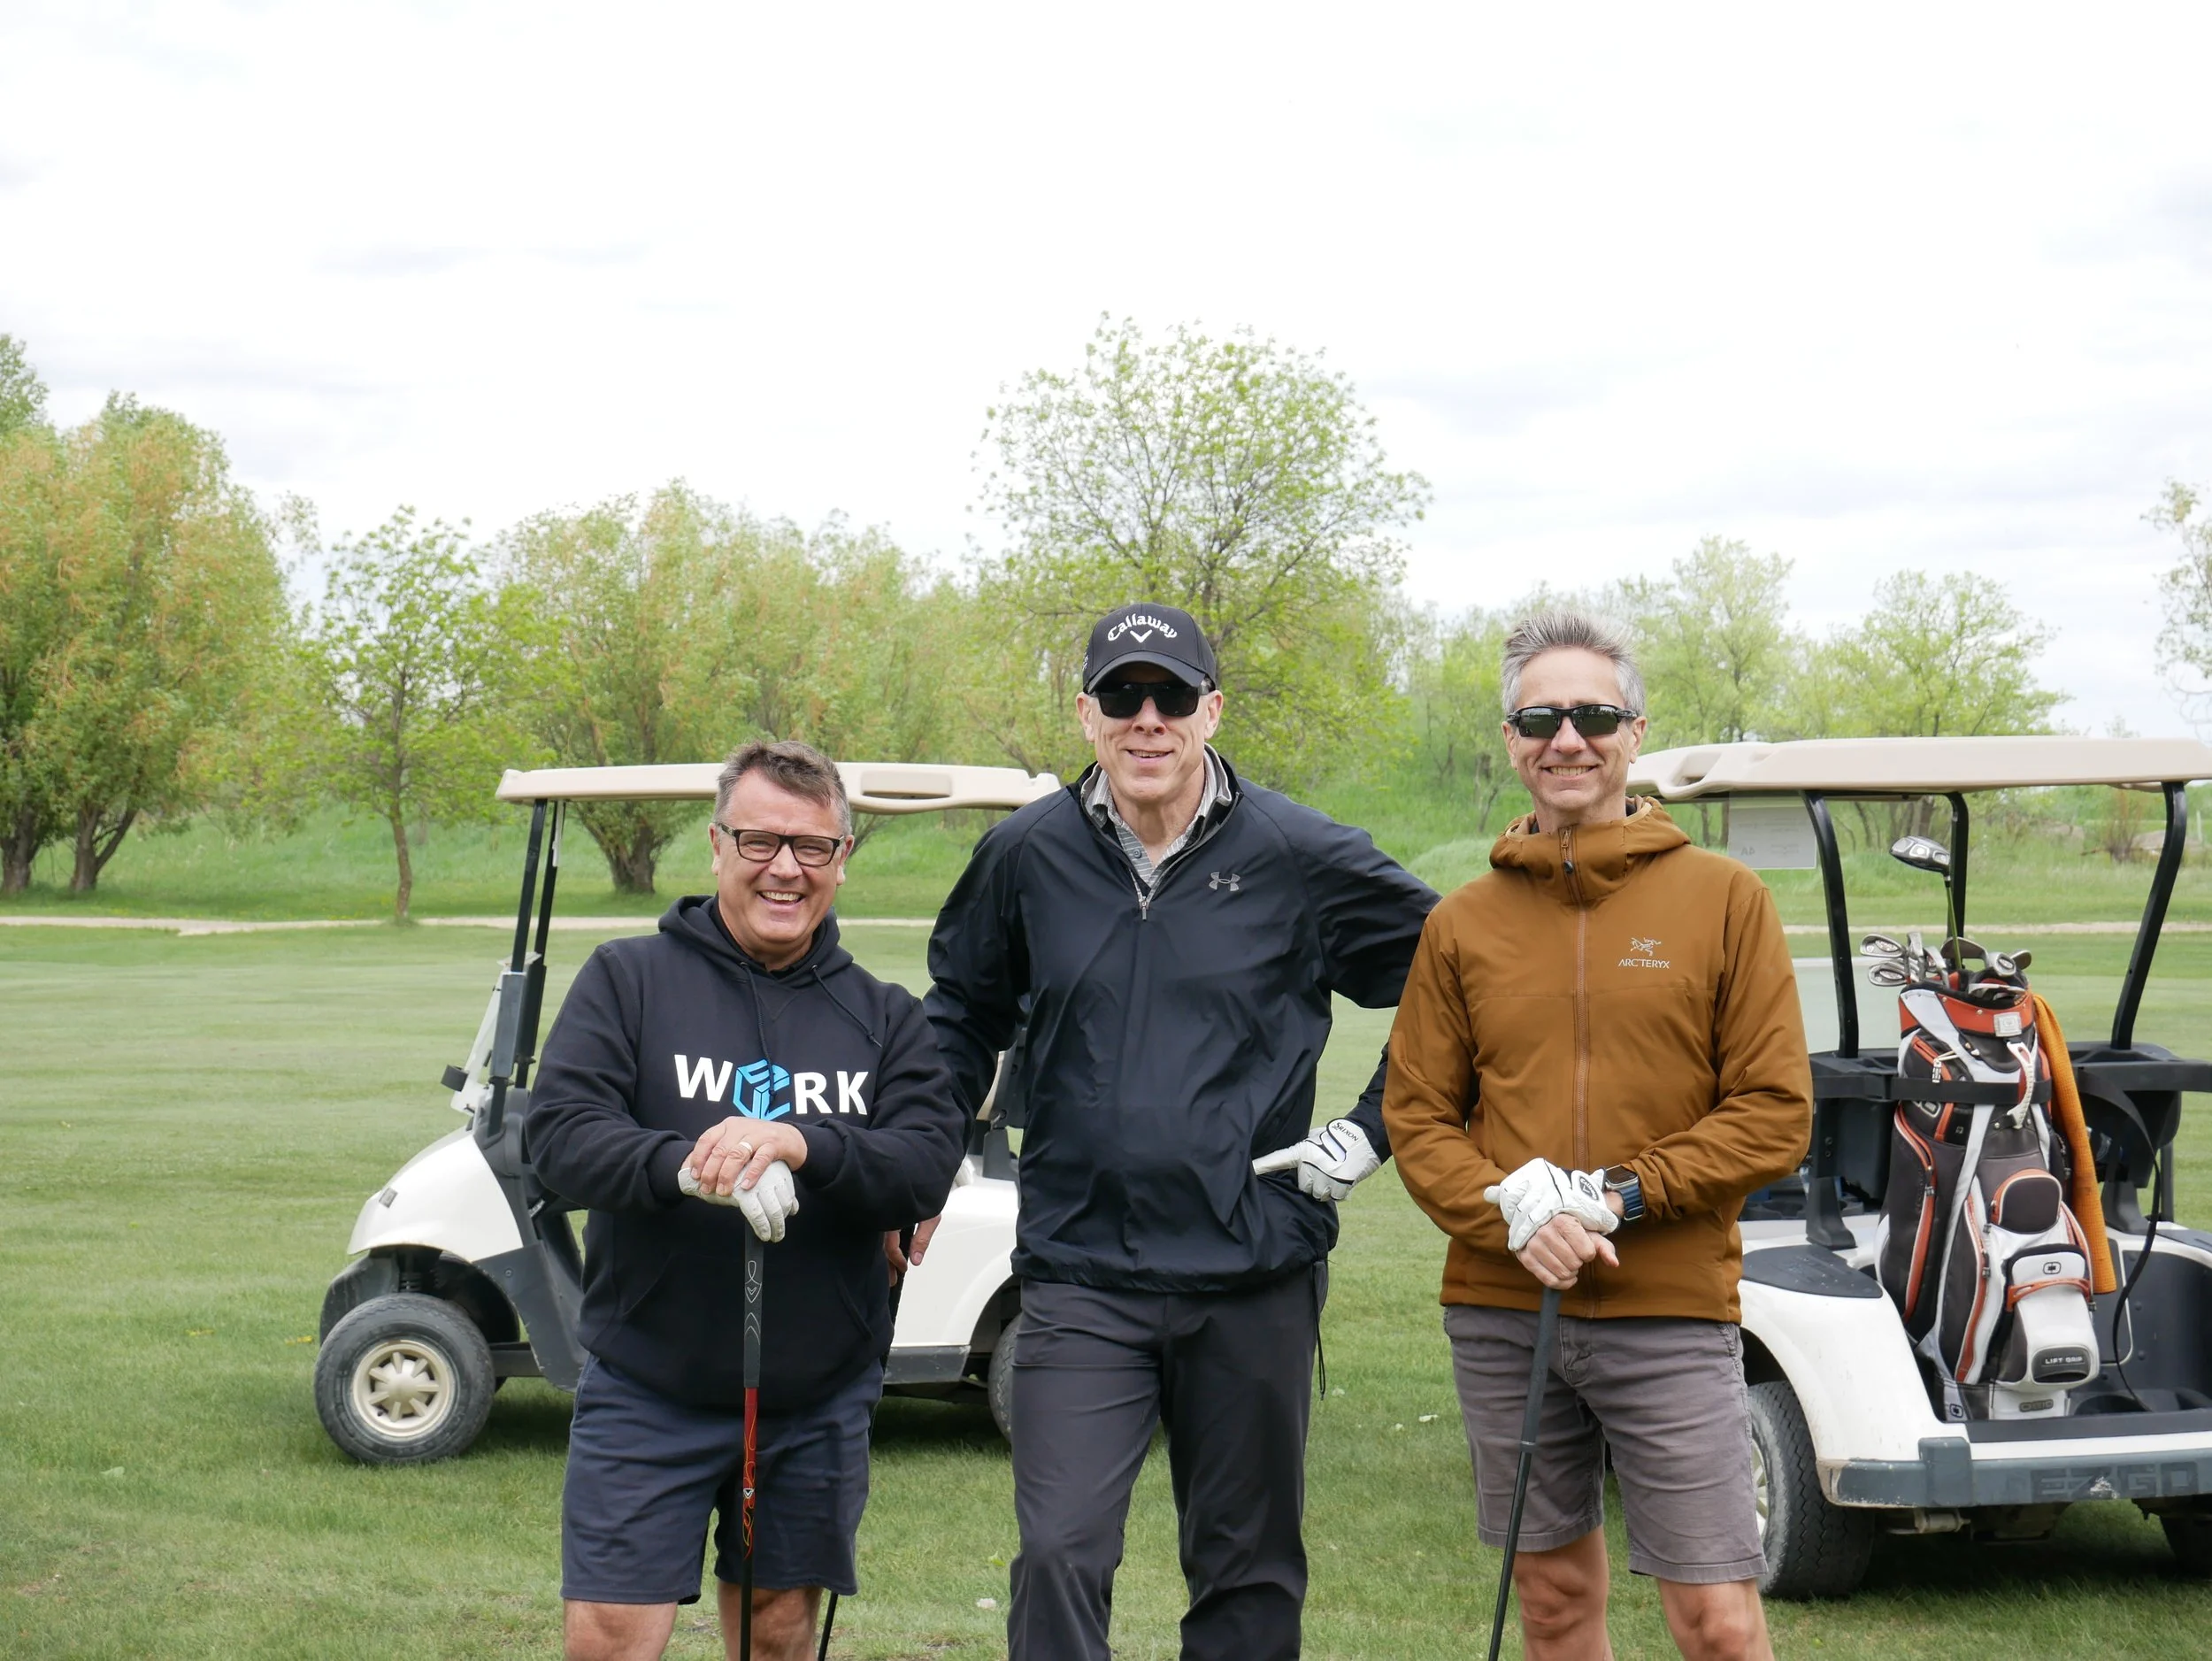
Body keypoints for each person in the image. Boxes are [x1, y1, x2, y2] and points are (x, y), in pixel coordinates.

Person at [922, 601, 1439, 1661]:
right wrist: (920, 1165)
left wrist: (1372, 1127)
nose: (1146, 717)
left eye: (1170, 694)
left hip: (1251, 1271)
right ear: (1086, 714)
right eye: (1122, 694)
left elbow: (1463, 975)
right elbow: (961, 1014)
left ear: (1212, 709)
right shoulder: (1025, 852)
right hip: (1079, 1272)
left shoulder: (1299, 851)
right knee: (1059, 1551)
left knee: (1245, 1572)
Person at [1383, 610, 1812, 1661]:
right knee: (1553, 1602)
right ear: (1510, 738)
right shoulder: (1461, 921)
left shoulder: (1725, 899)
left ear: (1634, 732)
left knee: (1717, 1621)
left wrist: (1616, 1192)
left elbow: (1772, 1110)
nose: (1566, 738)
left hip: (1668, 1308)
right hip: (1504, 1310)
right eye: (1540, 718)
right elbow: (1419, 1115)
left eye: (1592, 715)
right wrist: (1515, 1212)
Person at [526, 740, 968, 1661]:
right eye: (760, 841)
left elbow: (926, 1160)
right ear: (718, 844)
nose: (784, 868)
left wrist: (805, 1144)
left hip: (814, 1396)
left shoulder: (885, 1015)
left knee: (777, 1627)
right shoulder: (628, 979)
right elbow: (560, 1136)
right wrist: (688, 1166)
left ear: (843, 857)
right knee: (608, 1635)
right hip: (648, 1381)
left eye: (811, 846)